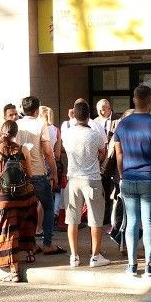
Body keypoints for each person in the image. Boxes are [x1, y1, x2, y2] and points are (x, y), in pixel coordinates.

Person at [114, 84, 151, 278]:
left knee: (131, 221)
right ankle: (149, 265)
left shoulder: (122, 124)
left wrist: (122, 175)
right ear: (150, 102)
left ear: (134, 100)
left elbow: (119, 154)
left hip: (129, 178)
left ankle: (132, 265)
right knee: (149, 222)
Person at [0, 120, 40, 282]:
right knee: (27, 219)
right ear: (16, 133)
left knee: (7, 230)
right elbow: (30, 175)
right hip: (25, 197)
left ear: (1, 132)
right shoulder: (24, 149)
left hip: (5, 198)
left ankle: (14, 271)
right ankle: (29, 252)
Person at [62, 101, 111, 266]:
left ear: (74, 115)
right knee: (95, 219)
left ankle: (74, 256)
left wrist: (71, 119)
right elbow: (103, 152)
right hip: (92, 178)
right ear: (89, 116)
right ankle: (95, 257)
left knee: (72, 219)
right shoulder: (95, 135)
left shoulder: (67, 133)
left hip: (73, 178)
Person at [16, 96, 62, 256]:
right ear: (37, 110)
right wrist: (55, 172)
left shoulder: (17, 124)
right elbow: (49, 152)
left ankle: (30, 244)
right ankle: (47, 243)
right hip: (38, 172)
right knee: (48, 207)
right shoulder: (40, 123)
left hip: (21, 175)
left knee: (26, 210)